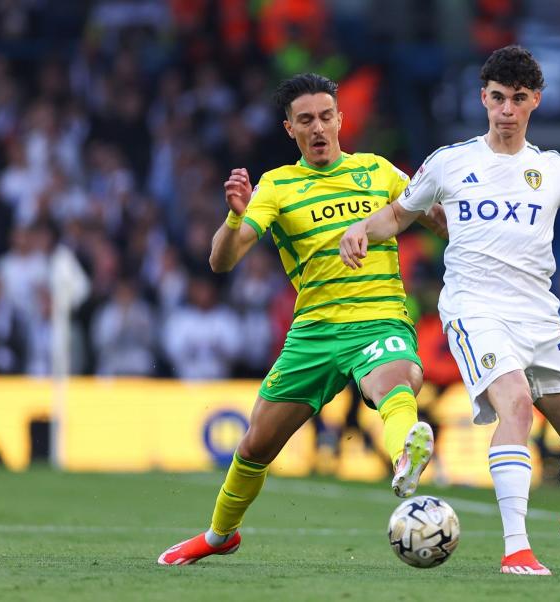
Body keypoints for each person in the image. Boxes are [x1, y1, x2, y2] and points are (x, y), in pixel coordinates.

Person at [340, 45, 560, 575]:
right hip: (475, 312)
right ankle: (516, 548)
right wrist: (363, 228)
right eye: (498, 97)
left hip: (540, 320)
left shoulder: (553, 170)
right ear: (484, 98)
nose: (507, 109)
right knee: (518, 407)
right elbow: (400, 214)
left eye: (518, 99)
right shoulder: (450, 162)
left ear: (535, 103)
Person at [158, 73, 438, 566]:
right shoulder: (278, 186)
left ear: (340, 119)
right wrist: (232, 217)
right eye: (305, 120)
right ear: (289, 128)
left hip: (379, 320)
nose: (318, 128)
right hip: (312, 333)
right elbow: (222, 262)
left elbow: (436, 218)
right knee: (255, 445)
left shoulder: (379, 172)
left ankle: (404, 457)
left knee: (394, 383)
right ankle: (221, 534)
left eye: (326, 116)